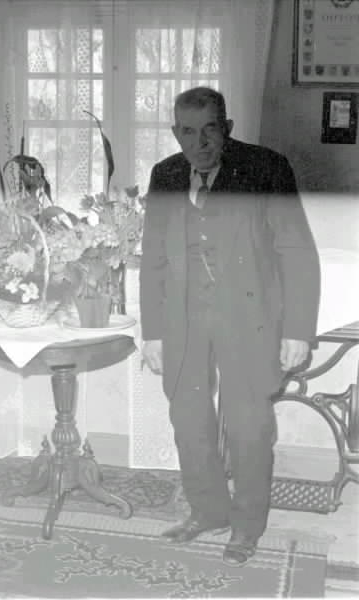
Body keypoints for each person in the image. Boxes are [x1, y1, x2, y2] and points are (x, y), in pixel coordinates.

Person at [139, 86, 320, 566]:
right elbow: (154, 258)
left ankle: (246, 526)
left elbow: (297, 251)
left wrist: (297, 330)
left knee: (248, 426)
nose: (199, 143)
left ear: (228, 128)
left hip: (249, 318)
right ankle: (207, 511)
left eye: (210, 130)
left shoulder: (266, 168)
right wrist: (152, 332)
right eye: (187, 132)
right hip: (183, 319)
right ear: (175, 131)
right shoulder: (165, 174)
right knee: (187, 421)